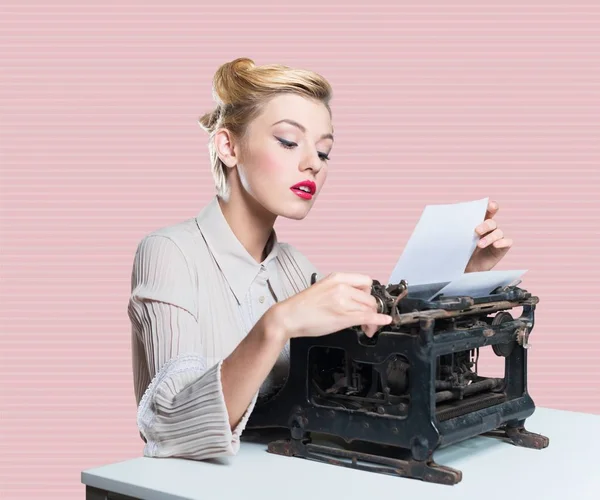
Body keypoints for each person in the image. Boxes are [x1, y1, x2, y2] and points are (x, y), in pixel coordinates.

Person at [127, 57, 513, 462]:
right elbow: (166, 425)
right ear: (229, 146)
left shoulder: (292, 264)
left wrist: (458, 278)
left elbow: (365, 367)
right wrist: (276, 323)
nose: (312, 162)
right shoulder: (168, 253)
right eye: (289, 142)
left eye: (324, 152)